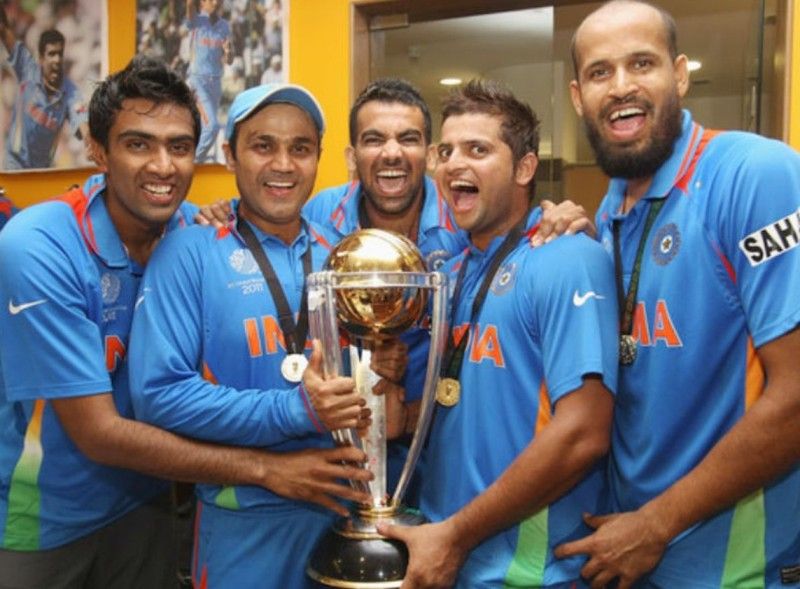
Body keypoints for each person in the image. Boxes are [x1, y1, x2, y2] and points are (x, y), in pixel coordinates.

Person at [0, 59, 370, 589]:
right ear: (98, 150)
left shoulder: (189, 226)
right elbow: (100, 432)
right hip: (43, 516)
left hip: (150, 496)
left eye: (178, 147)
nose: (162, 166)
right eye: (138, 144)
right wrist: (270, 466)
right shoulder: (38, 245)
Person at [553, 2, 800, 588]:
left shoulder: (756, 175)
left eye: (642, 63)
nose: (621, 86)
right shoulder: (610, 212)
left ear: (680, 75)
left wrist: (656, 524)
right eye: (600, 72)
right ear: (578, 97)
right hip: (629, 556)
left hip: (740, 570)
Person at [127, 83, 392, 589]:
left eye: (300, 148)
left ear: (318, 158)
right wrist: (294, 411)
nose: (283, 165)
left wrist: (384, 370)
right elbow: (157, 395)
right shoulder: (189, 252)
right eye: (263, 146)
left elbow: (369, 383)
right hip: (240, 526)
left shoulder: (344, 255)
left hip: (343, 518)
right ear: (231, 155)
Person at [378, 79, 619, 588]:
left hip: (527, 573)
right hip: (446, 558)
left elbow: (584, 434)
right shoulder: (452, 271)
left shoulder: (567, 258)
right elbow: (477, 405)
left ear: (525, 168)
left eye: (478, 150)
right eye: (447, 151)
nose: (454, 164)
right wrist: (402, 410)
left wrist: (456, 536)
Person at [0, 5, 88, 170]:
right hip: (14, 165)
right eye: (51, 54)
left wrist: (90, 142)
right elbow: (6, 34)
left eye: (59, 54)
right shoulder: (27, 70)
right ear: (41, 58)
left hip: (42, 170)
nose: (56, 60)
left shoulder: (70, 91)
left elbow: (82, 119)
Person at [185, 0, 233, 162]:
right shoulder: (196, 20)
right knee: (212, 127)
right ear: (202, 3)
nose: (216, 2)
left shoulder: (224, 26)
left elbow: (229, 60)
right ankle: (192, 162)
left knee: (205, 128)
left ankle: (194, 162)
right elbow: (189, 6)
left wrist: (228, 52)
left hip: (215, 83)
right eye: (211, 0)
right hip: (197, 81)